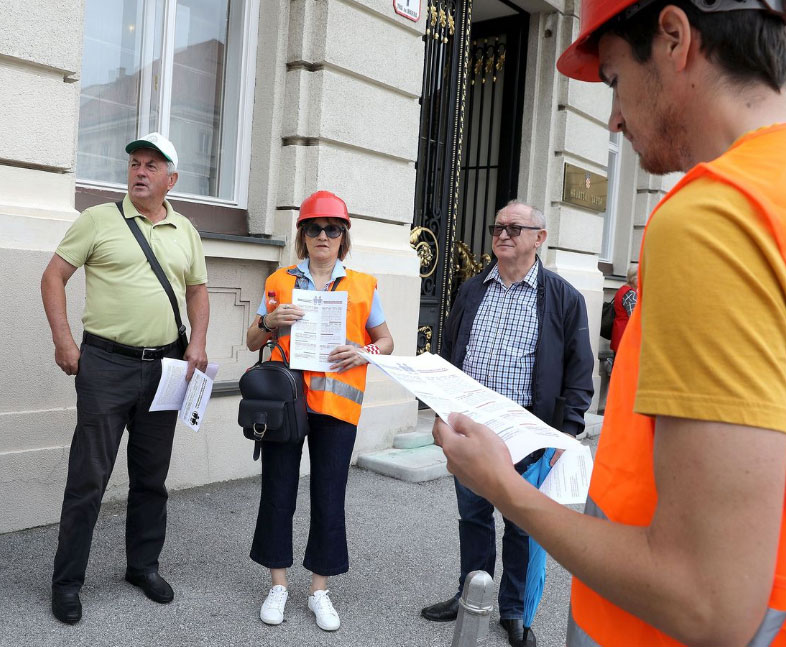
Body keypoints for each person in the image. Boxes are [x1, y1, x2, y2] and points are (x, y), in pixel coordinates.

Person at [435, 0, 786, 644]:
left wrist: (502, 484)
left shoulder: (716, 217)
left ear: (675, 37)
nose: (616, 116)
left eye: (615, 79)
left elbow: (707, 602)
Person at [41, 132, 209, 625]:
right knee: (88, 478)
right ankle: (67, 582)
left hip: (166, 367)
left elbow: (197, 291)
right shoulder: (98, 220)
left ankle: (142, 567)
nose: (140, 171)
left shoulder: (186, 231)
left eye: (152, 166)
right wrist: (64, 341)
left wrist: (197, 343)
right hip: (106, 367)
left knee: (151, 477)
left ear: (170, 179)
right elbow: (53, 276)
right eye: (135, 163)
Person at [421, 200, 594, 647]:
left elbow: (579, 375)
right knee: (474, 519)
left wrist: (566, 435)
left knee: (522, 525)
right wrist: (442, 414)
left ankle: (514, 613)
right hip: (472, 434)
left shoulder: (563, 298)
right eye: (498, 226)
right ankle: (470, 596)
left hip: (528, 438)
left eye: (515, 228)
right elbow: (451, 353)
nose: (503, 234)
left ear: (539, 238)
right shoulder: (472, 290)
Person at [245, 190, 394, 632]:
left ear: (343, 236)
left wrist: (363, 352)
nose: (323, 235)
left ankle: (320, 591)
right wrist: (271, 322)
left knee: (329, 495)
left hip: (335, 405)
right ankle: (278, 584)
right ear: (303, 235)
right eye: (314, 228)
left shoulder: (363, 285)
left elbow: (386, 341)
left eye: (332, 229)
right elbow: (253, 341)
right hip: (286, 403)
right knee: (278, 489)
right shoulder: (279, 282)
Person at [609, 264, 637, 353]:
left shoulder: (622, 289)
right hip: (626, 337)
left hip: (619, 333)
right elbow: (635, 318)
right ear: (634, 278)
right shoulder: (631, 294)